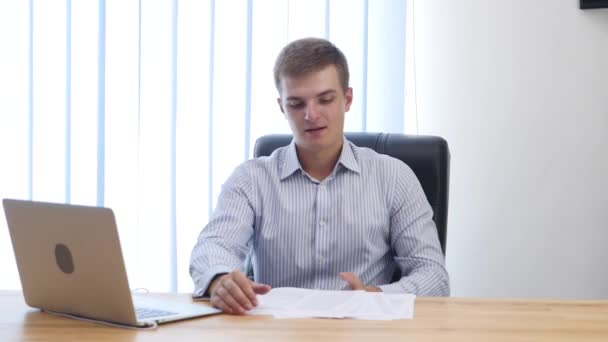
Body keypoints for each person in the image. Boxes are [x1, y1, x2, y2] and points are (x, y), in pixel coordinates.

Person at [190, 37, 449, 315]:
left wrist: (374, 296)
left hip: (363, 330)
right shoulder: (251, 179)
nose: (311, 115)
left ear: (347, 99)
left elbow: (433, 276)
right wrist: (219, 279)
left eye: (325, 100)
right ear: (281, 107)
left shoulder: (394, 177)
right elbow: (214, 246)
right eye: (296, 104)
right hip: (278, 332)